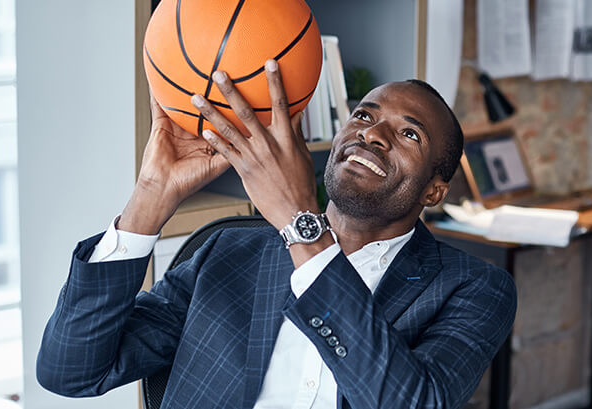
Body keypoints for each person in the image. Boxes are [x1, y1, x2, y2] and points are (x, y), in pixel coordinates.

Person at [37, 59, 516, 409]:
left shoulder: (474, 287)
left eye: (410, 134)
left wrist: (300, 224)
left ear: (435, 190)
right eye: (364, 116)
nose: (373, 135)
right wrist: (150, 197)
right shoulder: (226, 252)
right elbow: (71, 372)